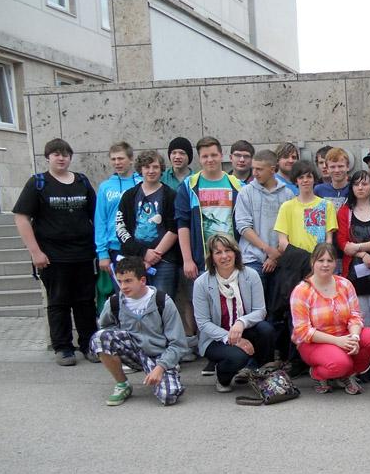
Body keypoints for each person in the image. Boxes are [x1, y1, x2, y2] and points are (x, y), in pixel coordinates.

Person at [13, 138, 99, 366]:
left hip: (83, 254)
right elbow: (21, 218)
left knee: (85, 302)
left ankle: (89, 344)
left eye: (65, 154)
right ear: (48, 157)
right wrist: (35, 252)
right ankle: (63, 348)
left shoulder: (82, 181)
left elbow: (96, 216)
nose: (61, 158)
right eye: (56, 154)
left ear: (70, 157)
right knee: (58, 302)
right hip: (52, 257)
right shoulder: (38, 183)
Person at [175, 136, 245, 361]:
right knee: (207, 308)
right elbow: (182, 224)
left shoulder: (236, 185)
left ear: (221, 155)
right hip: (202, 258)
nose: (210, 159)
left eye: (214, 155)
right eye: (205, 156)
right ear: (199, 158)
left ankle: (233, 350)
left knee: (231, 306)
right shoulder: (189, 185)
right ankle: (211, 354)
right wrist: (188, 259)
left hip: (231, 258)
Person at [90, 256, 187, 406]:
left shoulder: (162, 301)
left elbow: (179, 344)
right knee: (100, 338)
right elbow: (104, 328)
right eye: (120, 281)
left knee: (169, 396)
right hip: (132, 351)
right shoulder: (114, 302)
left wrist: (161, 367)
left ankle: (165, 371)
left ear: (142, 280)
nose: (123, 286)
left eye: (128, 281)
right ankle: (122, 384)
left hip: (158, 355)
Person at [290, 243, 370, 395]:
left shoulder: (345, 284)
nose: (325, 264)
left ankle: (347, 374)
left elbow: (355, 315)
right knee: (340, 363)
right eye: (321, 260)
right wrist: (338, 341)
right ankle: (318, 374)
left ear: (335, 263)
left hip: (344, 335)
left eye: (329, 260)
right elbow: (303, 331)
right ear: (312, 262)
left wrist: (354, 337)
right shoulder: (301, 291)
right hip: (314, 342)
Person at [193, 234, 276, 392]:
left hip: (244, 329)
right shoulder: (201, 283)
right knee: (238, 356)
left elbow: (260, 311)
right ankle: (222, 377)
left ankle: (256, 371)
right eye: (218, 252)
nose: (224, 256)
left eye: (228, 250)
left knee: (266, 330)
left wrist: (241, 322)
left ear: (236, 252)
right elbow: (203, 323)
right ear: (211, 257)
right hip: (216, 338)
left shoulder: (251, 275)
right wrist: (230, 338)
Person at [114, 150, 180, 297]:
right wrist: (143, 253)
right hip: (133, 259)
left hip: (164, 261)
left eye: (155, 167)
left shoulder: (170, 195)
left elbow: (174, 229)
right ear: (140, 169)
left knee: (162, 302)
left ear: (161, 169)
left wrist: (154, 256)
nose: (151, 171)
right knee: (134, 302)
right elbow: (120, 228)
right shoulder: (129, 195)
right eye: (147, 167)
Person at [336, 170, 370, 329]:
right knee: (360, 320)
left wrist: (358, 246)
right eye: (356, 184)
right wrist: (363, 254)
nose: (360, 187)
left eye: (364, 183)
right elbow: (342, 243)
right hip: (353, 275)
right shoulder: (345, 211)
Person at [233, 150, 294, 280]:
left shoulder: (288, 194)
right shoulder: (245, 192)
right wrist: (267, 249)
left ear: (272, 169)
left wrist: (275, 255)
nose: (254, 173)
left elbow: (291, 228)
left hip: (281, 259)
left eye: (259, 169)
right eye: (253, 168)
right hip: (251, 259)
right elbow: (243, 226)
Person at [95, 142, 142, 277]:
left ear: (131, 159)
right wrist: (102, 253)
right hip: (115, 248)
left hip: (139, 245)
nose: (117, 163)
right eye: (113, 159)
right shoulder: (105, 187)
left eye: (121, 158)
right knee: (123, 288)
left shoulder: (142, 183)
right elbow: (100, 220)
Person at [274, 160, 338, 254]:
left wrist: (319, 258)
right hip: (295, 260)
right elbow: (283, 242)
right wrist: (302, 258)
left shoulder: (327, 205)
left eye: (309, 176)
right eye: (301, 177)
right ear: (296, 181)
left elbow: (329, 240)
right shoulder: (286, 207)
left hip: (319, 259)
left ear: (314, 179)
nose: (305, 180)